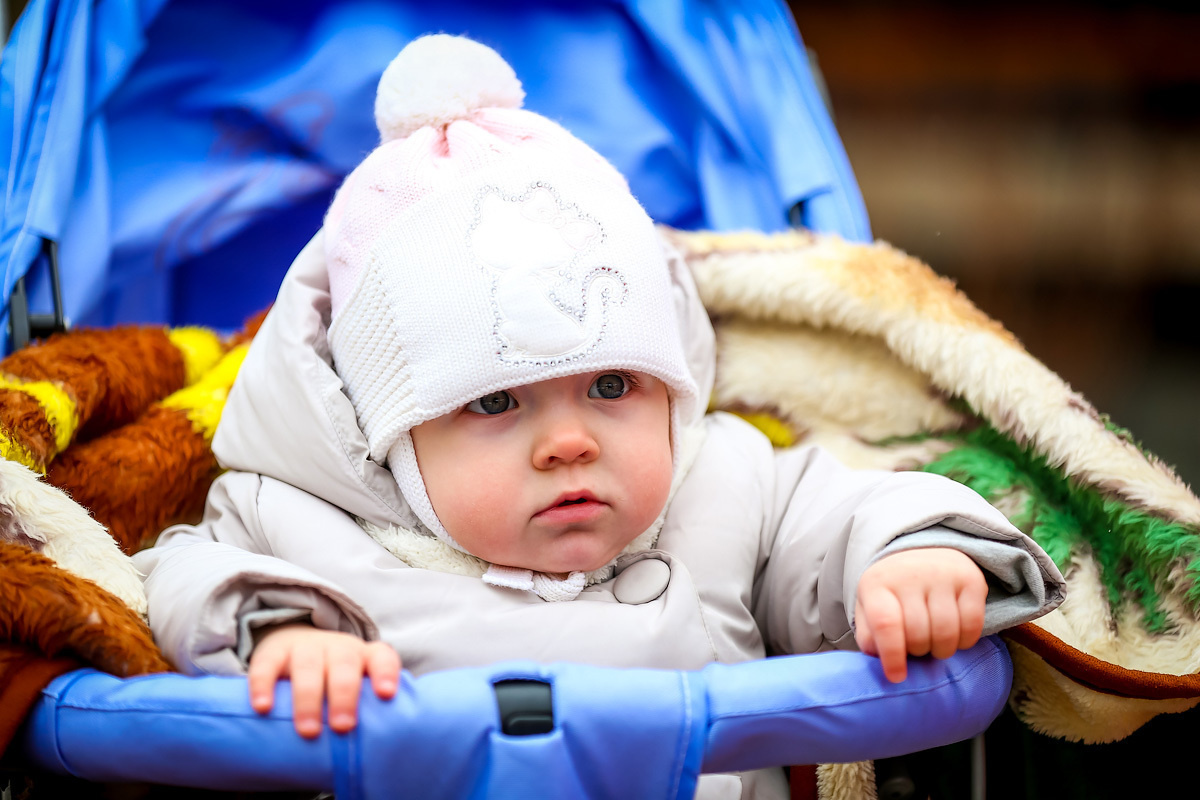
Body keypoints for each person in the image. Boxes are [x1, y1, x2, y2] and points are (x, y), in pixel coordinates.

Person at [134, 35, 1064, 799]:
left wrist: (911, 558)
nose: (570, 441)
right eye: (495, 402)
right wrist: (283, 635)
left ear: (672, 388)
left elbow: (844, 511)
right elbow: (172, 576)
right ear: (389, 437)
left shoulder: (724, 484)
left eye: (613, 386)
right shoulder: (300, 523)